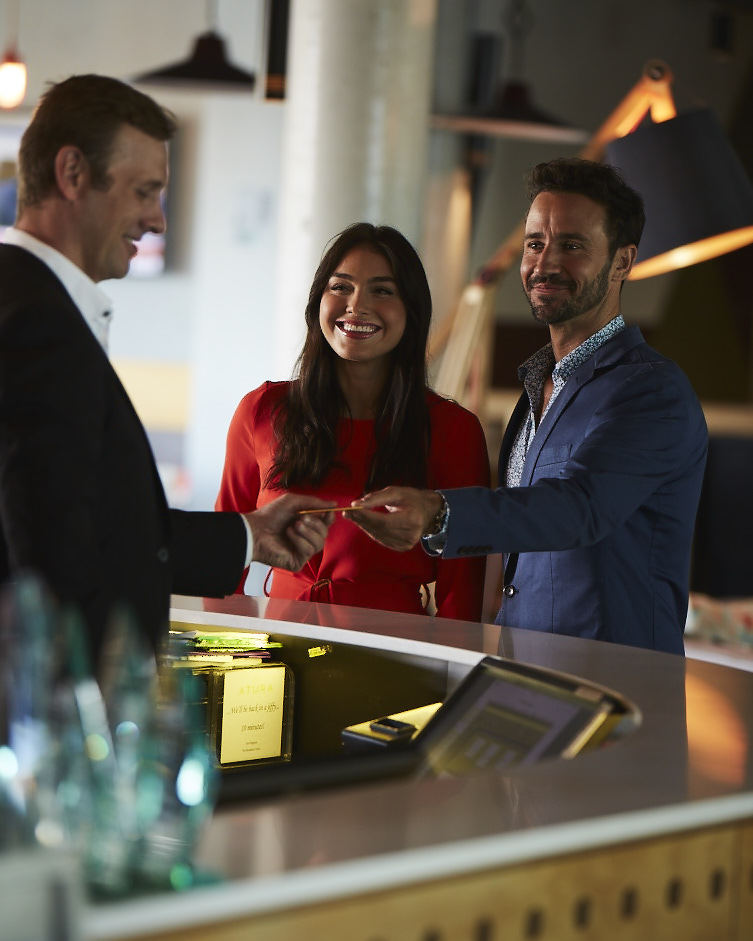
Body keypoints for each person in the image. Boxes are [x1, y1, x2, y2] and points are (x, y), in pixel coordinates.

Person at [0, 74, 333, 669]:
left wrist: (249, 535)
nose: (157, 220)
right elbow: (48, 557)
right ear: (72, 173)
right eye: (143, 192)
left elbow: (96, 524)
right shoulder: (37, 323)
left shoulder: (24, 300)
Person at [348, 158, 708, 654]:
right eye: (535, 243)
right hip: (527, 669)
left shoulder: (651, 392)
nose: (546, 263)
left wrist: (439, 512)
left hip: (620, 685)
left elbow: (578, 508)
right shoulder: (540, 382)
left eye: (572, 246)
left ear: (623, 262)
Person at [216, 222, 490, 620]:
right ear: (318, 302)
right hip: (278, 653)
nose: (356, 306)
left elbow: (462, 589)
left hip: (396, 658)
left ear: (411, 311)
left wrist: (450, 678)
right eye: (340, 286)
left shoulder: (453, 430)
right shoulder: (263, 410)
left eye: (382, 290)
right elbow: (224, 555)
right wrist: (221, 658)